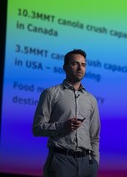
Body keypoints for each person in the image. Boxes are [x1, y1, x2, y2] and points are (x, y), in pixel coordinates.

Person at [32, 49, 101, 177]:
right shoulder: (51, 93)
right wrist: (63, 126)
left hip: (87, 164)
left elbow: (94, 137)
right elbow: (37, 128)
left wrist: (95, 163)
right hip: (61, 161)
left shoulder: (91, 100)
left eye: (83, 64)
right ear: (65, 67)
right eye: (75, 64)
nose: (80, 68)